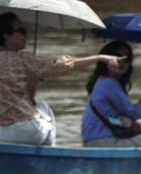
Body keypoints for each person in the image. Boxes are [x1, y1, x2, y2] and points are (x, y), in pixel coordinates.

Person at [0, 12, 126, 146]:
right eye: (21, 31)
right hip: (30, 131)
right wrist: (99, 58)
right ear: (6, 35)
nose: (26, 35)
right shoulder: (24, 60)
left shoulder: (25, 61)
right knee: (43, 107)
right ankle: (51, 151)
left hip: (7, 132)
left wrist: (32, 81)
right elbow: (62, 66)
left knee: (40, 105)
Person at [81, 41, 141, 147]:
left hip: (94, 142)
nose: (122, 61)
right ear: (106, 59)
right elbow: (134, 113)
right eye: (117, 56)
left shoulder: (102, 81)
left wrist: (128, 122)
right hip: (104, 142)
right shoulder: (109, 83)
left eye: (127, 58)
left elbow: (122, 117)